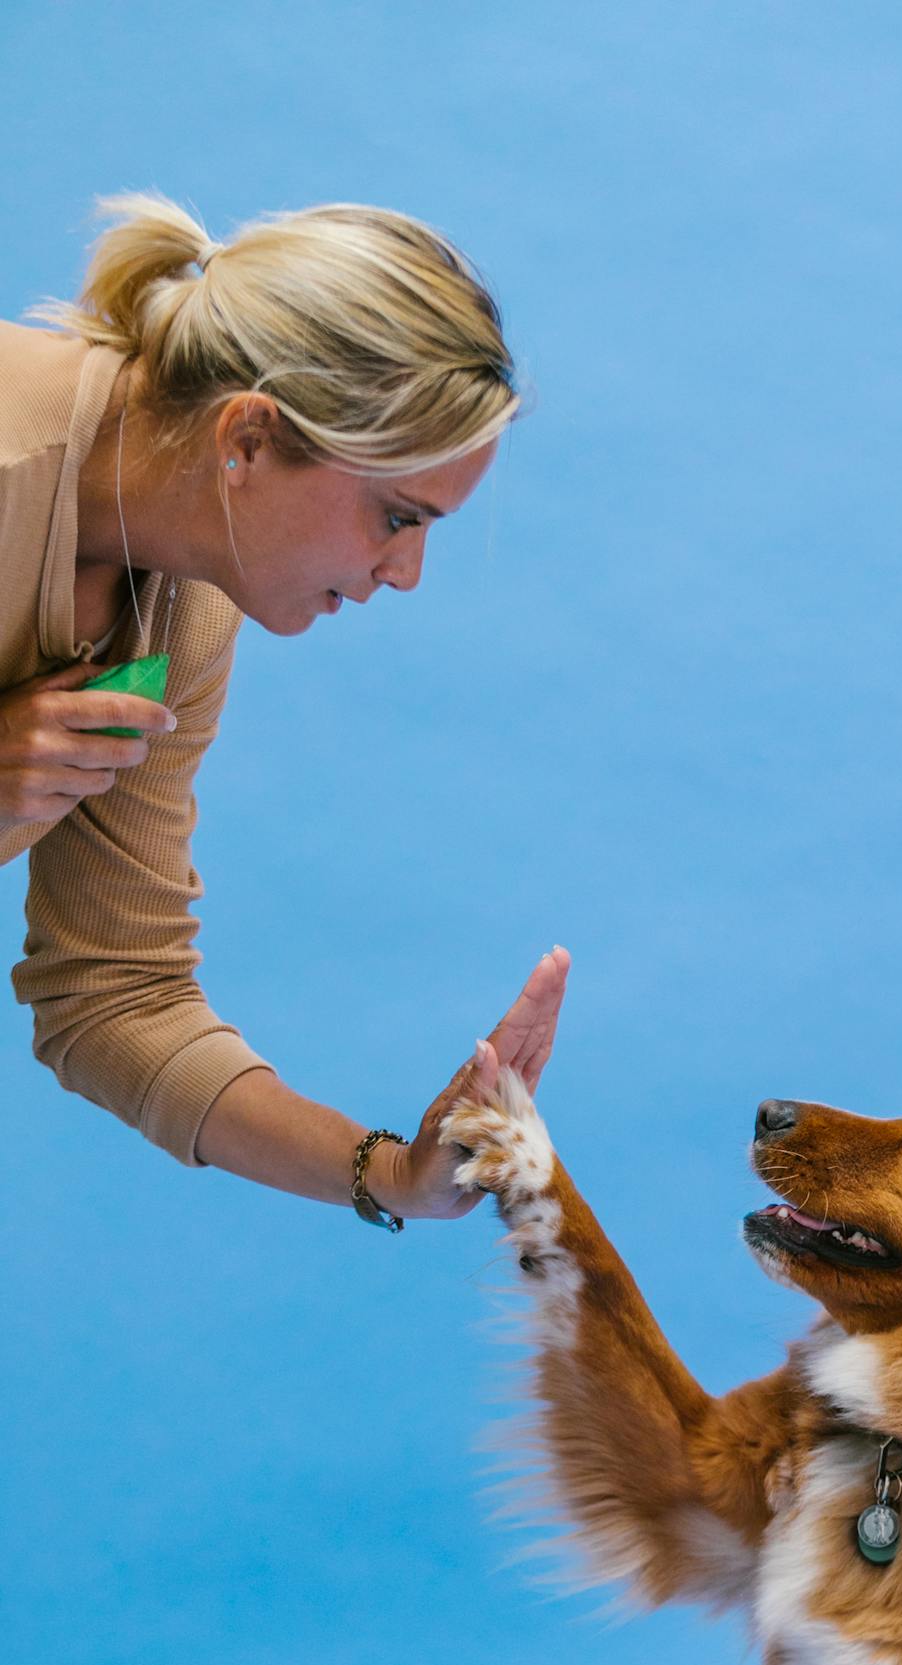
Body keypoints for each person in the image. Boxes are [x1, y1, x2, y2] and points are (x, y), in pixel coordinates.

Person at [1, 193, 568, 1230]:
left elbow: (113, 989)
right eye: (398, 517)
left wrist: (391, 1172)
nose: (405, 573)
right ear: (249, 439)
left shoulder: (183, 611)